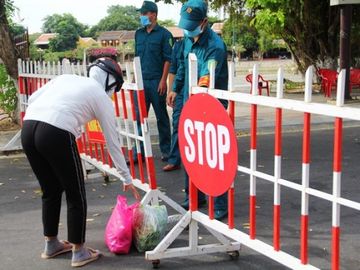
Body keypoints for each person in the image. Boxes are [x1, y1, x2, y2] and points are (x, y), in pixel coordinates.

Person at [21, 58, 140, 267]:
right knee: (76, 193)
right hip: (56, 132)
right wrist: (126, 177)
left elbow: (33, 98)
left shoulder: (66, 78)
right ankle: (79, 251)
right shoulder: (100, 96)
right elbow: (113, 141)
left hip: (29, 128)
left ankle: (51, 244)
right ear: (110, 81)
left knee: (50, 190)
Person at [168, 0, 229, 220]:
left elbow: (207, 79)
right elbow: (183, 66)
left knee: (212, 153)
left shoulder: (215, 46)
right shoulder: (186, 39)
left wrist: (197, 104)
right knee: (190, 151)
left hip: (210, 104)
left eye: (192, 24)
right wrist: (175, 88)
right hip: (188, 101)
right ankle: (194, 195)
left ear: (203, 22)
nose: (188, 28)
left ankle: (219, 202)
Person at [134, 1, 173, 162]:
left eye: (144, 13)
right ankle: (140, 152)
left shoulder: (165, 34)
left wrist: (163, 80)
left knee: (161, 117)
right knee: (139, 118)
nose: (141, 16)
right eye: (141, 14)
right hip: (141, 81)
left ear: (153, 15)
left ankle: (166, 151)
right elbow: (137, 57)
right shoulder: (138, 34)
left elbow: (168, 59)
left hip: (157, 81)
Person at [163, 39, 184, 172]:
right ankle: (174, 159)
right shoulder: (179, 46)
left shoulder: (210, 44)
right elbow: (173, 70)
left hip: (200, 88)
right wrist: (170, 91)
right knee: (177, 123)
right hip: (180, 90)